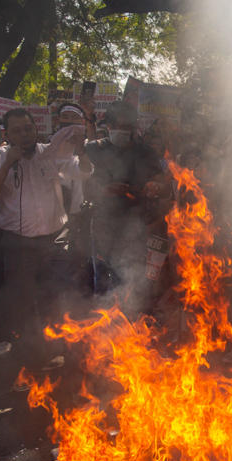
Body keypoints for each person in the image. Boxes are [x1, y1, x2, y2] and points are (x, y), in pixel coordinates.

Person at [0, 108, 93, 355]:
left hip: (56, 240)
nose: (24, 135)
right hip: (19, 244)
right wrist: (8, 163)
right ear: (7, 134)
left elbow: (82, 171)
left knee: (60, 294)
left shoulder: (50, 153)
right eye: (16, 130)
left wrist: (80, 151)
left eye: (28, 128)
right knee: (23, 301)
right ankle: (29, 354)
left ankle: (62, 349)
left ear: (36, 128)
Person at [84, 101, 170, 315]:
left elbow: (162, 184)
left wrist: (157, 187)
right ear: (109, 126)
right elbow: (86, 191)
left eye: (130, 127)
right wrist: (106, 190)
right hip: (104, 226)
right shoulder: (95, 149)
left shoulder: (145, 151)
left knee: (132, 279)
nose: (126, 132)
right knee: (103, 280)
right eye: (120, 127)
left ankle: (131, 326)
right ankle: (102, 327)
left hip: (136, 228)